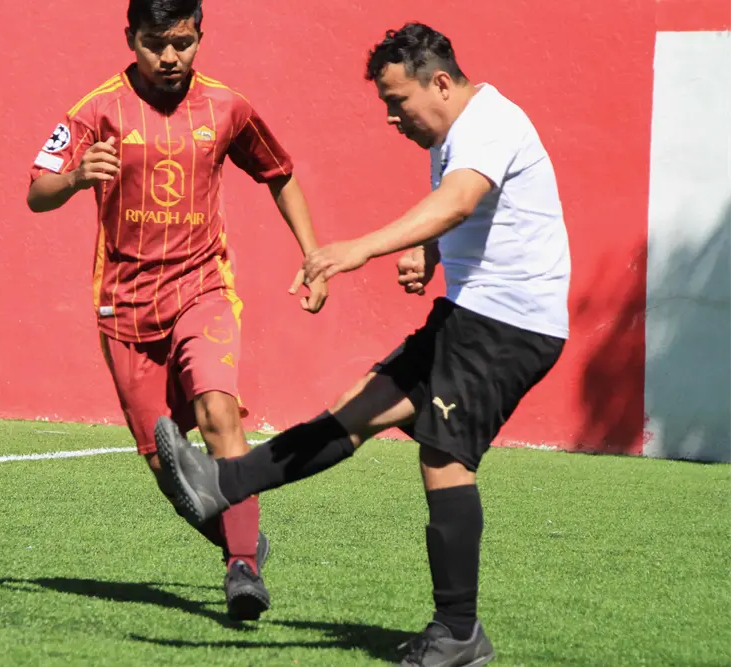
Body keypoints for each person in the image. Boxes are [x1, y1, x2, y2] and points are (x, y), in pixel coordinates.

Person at [153, 22, 570, 665]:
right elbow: (468, 207)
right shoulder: (456, 130)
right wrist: (430, 253)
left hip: (507, 325)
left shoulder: (489, 121)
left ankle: (459, 631)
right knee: (356, 409)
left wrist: (362, 249)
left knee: (444, 458)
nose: (392, 118)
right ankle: (222, 483)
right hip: (468, 316)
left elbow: (460, 201)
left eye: (396, 102)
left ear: (439, 82)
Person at [25, 0, 328, 621]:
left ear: (199, 36)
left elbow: (280, 171)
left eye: (183, 43)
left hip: (202, 288)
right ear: (130, 38)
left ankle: (240, 568)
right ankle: (242, 539)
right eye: (155, 43)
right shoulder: (96, 110)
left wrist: (314, 253)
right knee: (168, 468)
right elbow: (37, 191)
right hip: (124, 307)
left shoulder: (228, 107)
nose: (170, 57)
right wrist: (78, 176)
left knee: (219, 412)